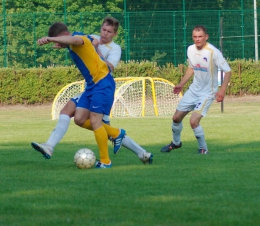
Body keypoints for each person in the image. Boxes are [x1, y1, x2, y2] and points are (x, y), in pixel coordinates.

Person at [33, 18, 153, 167]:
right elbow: (77, 43)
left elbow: (78, 42)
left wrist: (51, 38)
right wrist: (62, 44)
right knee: (79, 119)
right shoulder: (89, 37)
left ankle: (105, 161)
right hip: (92, 86)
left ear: (114, 34)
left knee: (97, 123)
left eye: (109, 31)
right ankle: (120, 136)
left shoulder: (104, 45)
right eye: (103, 29)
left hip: (103, 84)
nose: (105, 33)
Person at [161, 25, 231, 154]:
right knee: (176, 118)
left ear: (206, 37)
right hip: (193, 90)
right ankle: (176, 143)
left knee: (193, 121)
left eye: (200, 37)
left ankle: (203, 148)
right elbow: (192, 68)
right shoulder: (190, 49)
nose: (197, 39)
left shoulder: (213, 52)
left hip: (207, 93)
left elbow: (227, 71)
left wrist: (222, 90)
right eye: (195, 37)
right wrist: (181, 84)